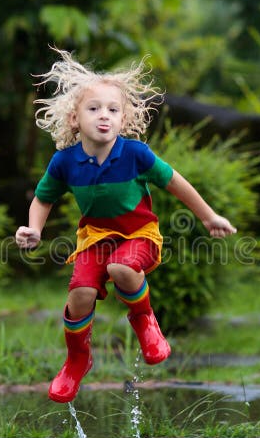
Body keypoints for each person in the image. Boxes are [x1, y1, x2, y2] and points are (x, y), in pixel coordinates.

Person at [15, 48, 237, 403]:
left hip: (139, 235)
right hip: (94, 240)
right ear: (75, 118)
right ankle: (76, 360)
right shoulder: (64, 162)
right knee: (80, 295)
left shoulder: (135, 154)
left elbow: (175, 182)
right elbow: (43, 198)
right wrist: (34, 229)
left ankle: (146, 321)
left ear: (123, 119)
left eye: (113, 110)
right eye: (94, 109)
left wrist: (209, 216)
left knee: (122, 267)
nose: (104, 116)